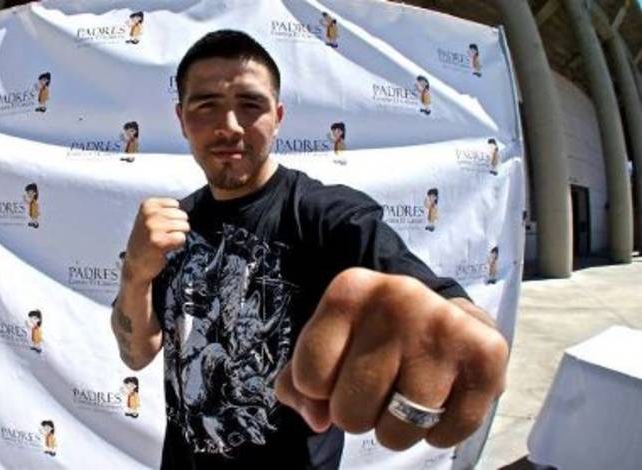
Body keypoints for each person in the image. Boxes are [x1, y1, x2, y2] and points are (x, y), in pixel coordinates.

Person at [110, 30, 508, 469]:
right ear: (182, 119)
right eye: (206, 106)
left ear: (278, 116)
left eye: (251, 105)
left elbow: (445, 311)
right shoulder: (174, 226)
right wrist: (136, 273)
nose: (230, 126)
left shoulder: (323, 215)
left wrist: (460, 335)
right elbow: (137, 353)